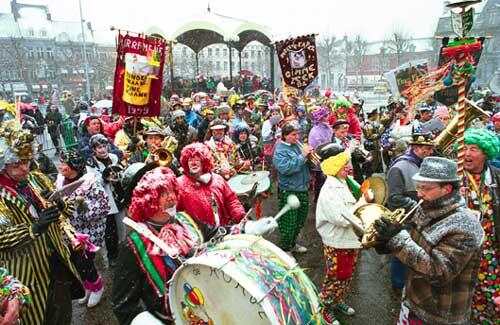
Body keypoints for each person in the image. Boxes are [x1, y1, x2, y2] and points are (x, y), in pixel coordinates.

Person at [112, 166, 277, 324]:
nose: (171, 197)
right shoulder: (132, 245)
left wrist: (248, 228)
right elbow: (123, 304)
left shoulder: (185, 218)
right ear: (147, 200)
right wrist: (144, 321)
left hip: (211, 306)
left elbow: (215, 233)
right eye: (162, 193)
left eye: (172, 190)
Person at [374, 157, 484, 325]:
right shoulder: (427, 205)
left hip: (438, 315)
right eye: (418, 187)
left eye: (425, 188)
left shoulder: (464, 226)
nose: (419, 193)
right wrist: (386, 242)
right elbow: (413, 243)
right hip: (414, 301)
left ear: (446, 188)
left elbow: (438, 272)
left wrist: (396, 239)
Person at [0, 129, 83, 324]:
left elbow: (62, 212)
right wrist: (34, 228)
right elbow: (1, 237)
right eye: (17, 164)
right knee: (40, 318)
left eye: (27, 161)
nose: (25, 169)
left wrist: (62, 205)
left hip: (58, 264)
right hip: (26, 273)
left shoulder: (35, 179)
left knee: (62, 315)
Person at [315, 144, 373, 325]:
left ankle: (337, 300)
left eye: (347, 163)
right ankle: (324, 307)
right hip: (337, 241)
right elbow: (342, 219)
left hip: (349, 240)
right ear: (333, 167)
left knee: (346, 275)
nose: (348, 167)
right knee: (336, 276)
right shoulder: (330, 189)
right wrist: (363, 202)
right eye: (343, 164)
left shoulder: (344, 181)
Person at [56, 150, 110, 308]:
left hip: (89, 233)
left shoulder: (91, 182)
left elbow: (103, 206)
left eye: (64, 163)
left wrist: (80, 208)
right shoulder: (60, 180)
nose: (60, 166)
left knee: (85, 262)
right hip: (69, 232)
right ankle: (89, 286)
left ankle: (97, 287)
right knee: (76, 262)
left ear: (74, 166)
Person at [386, 131, 435, 291]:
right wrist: (420, 205)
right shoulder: (399, 167)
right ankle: (398, 285)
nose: (429, 152)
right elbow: (394, 199)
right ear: (414, 147)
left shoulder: (424, 164)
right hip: (405, 219)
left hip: (420, 217)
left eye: (430, 148)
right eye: (424, 148)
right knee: (401, 252)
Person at [462, 128, 500, 324]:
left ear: (485, 153)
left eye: (474, 149)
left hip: (489, 253)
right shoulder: (454, 177)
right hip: (462, 253)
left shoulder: (496, 177)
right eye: (465, 148)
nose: (467, 153)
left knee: (489, 298)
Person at [177, 143, 245, 227]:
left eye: (197, 160)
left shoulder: (218, 179)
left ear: (204, 161)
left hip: (222, 230)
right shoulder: (179, 184)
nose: (193, 163)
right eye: (190, 160)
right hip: (197, 236)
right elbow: (175, 212)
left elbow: (231, 200)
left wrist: (240, 216)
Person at [272, 122, 311, 255]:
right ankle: (285, 249)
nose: (297, 137)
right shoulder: (280, 150)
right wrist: (303, 156)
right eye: (293, 135)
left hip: (302, 188)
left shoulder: (296, 146)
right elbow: (286, 169)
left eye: (297, 134)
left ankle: (292, 243)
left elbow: (305, 163)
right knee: (289, 222)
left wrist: (310, 155)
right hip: (289, 190)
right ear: (285, 136)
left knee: (300, 220)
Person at [87, 134, 121, 264]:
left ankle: (122, 250)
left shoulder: (114, 157)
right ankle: (112, 256)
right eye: (99, 147)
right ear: (94, 150)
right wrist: (105, 178)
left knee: (121, 227)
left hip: (118, 196)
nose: (102, 149)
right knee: (110, 230)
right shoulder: (91, 163)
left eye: (104, 146)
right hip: (106, 200)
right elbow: (93, 181)